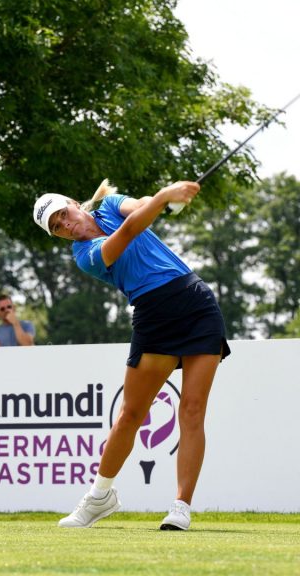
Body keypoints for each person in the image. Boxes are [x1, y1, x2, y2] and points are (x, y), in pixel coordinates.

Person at [33, 178, 229, 531]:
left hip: (196, 303)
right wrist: (165, 197)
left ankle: (181, 507)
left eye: (63, 214)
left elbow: (137, 208)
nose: (65, 225)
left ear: (76, 203)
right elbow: (126, 233)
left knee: (193, 409)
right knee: (131, 415)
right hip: (153, 316)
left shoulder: (108, 205)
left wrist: (159, 201)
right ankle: (99, 497)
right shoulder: (84, 256)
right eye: (56, 227)